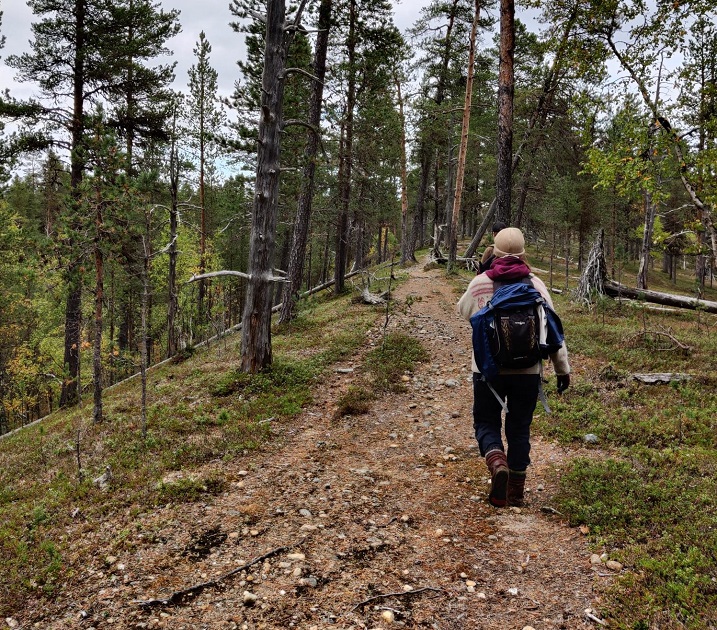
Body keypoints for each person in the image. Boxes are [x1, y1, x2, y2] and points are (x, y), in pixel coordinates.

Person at [457, 227, 571, 507]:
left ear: (494, 252)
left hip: (487, 370)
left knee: (486, 421)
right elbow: (552, 330)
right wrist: (562, 370)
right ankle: (516, 491)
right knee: (520, 427)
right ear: (523, 254)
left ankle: (497, 464)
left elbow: (463, 310)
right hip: (528, 372)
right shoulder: (536, 285)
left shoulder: (481, 282)